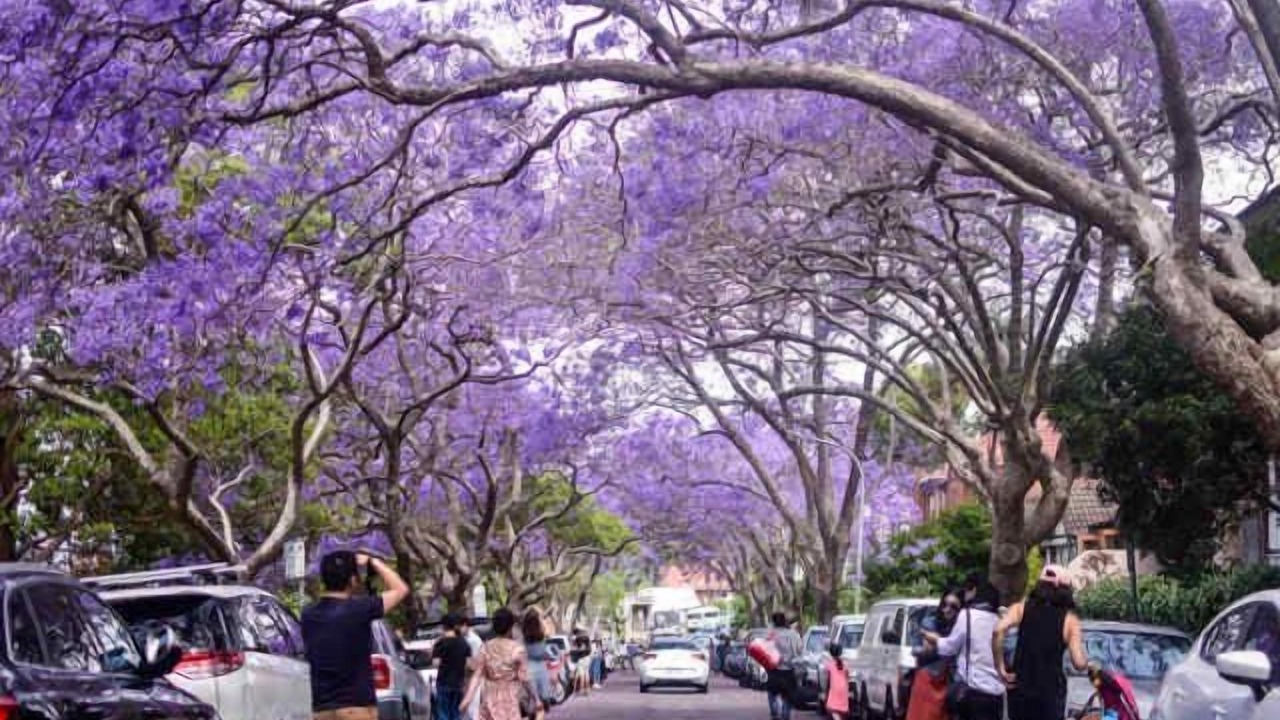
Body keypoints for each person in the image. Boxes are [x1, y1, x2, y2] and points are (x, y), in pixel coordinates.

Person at [302, 551, 410, 720]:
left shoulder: (308, 615)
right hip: (357, 708)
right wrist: (374, 561)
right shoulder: (361, 608)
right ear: (352, 580)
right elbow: (401, 589)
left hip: (322, 711)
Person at [994, 566, 1089, 720]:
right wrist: (1088, 663)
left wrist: (1000, 667)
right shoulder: (1070, 621)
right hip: (1050, 696)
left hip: (1020, 692)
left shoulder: (1021, 608)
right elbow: (1078, 663)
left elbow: (998, 630)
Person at [925, 580, 1005, 720]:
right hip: (996, 695)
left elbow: (949, 648)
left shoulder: (967, 615)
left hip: (972, 693)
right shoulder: (999, 620)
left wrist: (936, 639)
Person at [463, 608, 530, 720]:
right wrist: (535, 698)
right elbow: (525, 678)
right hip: (510, 703)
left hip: (489, 702)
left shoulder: (485, 648)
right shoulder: (517, 649)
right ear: (511, 626)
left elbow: (477, 675)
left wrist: (467, 699)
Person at [906, 588, 962, 720]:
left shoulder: (961, 626)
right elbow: (917, 650)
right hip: (930, 678)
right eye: (944, 605)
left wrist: (940, 641)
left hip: (950, 682)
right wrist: (942, 645)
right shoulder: (930, 622)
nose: (947, 609)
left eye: (953, 606)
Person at [432, 614, 473, 720]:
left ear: (443, 627)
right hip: (458, 683)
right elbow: (469, 664)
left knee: (443, 713)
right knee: (456, 712)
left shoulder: (440, 643)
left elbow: (436, 663)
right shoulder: (464, 643)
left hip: (443, 682)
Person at [765, 612, 804, 720]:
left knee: (772, 693)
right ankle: (785, 716)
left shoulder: (770, 634)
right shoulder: (793, 634)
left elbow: (765, 651)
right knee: (787, 697)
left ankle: (775, 713)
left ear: (774, 622)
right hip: (788, 671)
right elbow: (800, 650)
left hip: (773, 670)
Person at [520, 609, 552, 720]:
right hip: (541, 669)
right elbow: (549, 630)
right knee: (542, 706)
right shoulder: (542, 634)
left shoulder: (523, 635)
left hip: (529, 669)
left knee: (533, 705)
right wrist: (543, 618)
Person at [461, 617, 484, 720]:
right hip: (463, 679)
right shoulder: (461, 638)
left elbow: (476, 664)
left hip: (472, 679)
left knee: (472, 709)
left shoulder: (474, 640)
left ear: (465, 625)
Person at [824, 641, 850, 720]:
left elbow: (828, 680)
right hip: (844, 688)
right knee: (841, 709)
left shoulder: (829, 665)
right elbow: (847, 677)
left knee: (831, 708)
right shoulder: (845, 664)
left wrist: (827, 693)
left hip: (834, 688)